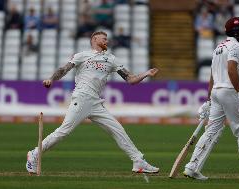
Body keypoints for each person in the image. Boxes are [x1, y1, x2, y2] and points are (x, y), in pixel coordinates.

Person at [26, 31, 159, 175]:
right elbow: (64, 69)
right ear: (94, 39)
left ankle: (138, 161)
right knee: (63, 131)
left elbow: (130, 79)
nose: (107, 41)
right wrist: (51, 79)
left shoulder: (111, 59)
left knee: (117, 130)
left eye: (107, 39)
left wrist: (146, 74)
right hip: (82, 97)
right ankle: (34, 154)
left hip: (95, 102)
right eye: (104, 39)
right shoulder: (82, 55)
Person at [183, 17, 239, 181]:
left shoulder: (218, 47)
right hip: (229, 90)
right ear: (237, 32)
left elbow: (212, 75)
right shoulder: (236, 46)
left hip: (217, 91)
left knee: (211, 131)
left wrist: (209, 99)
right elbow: (231, 69)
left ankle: (192, 167)